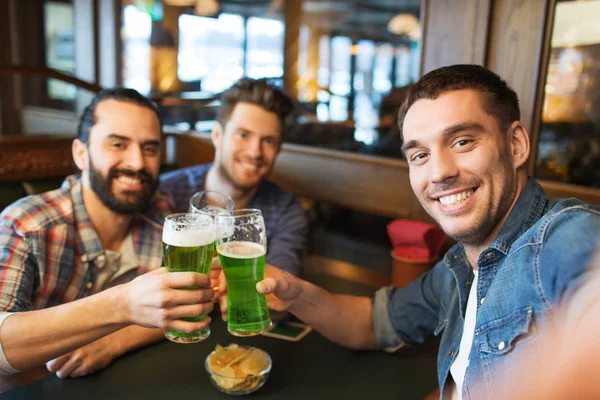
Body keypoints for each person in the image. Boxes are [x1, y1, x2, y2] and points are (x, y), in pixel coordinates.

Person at [242, 65, 600, 399]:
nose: (439, 172)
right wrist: (295, 295)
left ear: (516, 145)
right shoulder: (459, 267)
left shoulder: (567, 236)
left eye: (462, 142)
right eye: (420, 155)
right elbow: (372, 324)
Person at [0, 89, 215, 378]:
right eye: (118, 144)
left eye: (150, 148)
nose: (137, 163)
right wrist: (122, 305)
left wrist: (115, 341)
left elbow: (184, 306)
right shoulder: (25, 225)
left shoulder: (163, 218)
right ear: (80, 153)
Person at [160, 78, 308, 276]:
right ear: (217, 136)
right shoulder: (165, 191)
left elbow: (282, 291)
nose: (255, 152)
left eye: (268, 141)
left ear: (279, 149)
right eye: (243, 135)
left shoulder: (286, 211)